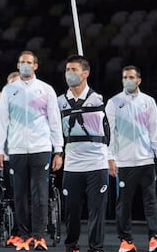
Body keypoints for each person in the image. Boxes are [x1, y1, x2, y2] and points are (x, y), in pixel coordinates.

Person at [0, 50, 64, 251]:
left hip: (41, 148)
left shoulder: (46, 89)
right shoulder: (9, 90)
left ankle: (39, 236)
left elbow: (54, 120)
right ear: (18, 65)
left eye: (29, 62)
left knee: (40, 194)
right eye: (22, 62)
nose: (25, 65)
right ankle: (23, 236)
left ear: (35, 66)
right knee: (20, 195)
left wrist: (58, 149)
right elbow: (1, 121)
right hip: (17, 149)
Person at [106, 65, 157, 252]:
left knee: (151, 201)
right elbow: (108, 133)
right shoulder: (114, 102)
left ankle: (155, 238)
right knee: (124, 203)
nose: (128, 80)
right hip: (124, 162)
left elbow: (155, 129)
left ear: (139, 80)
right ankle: (126, 240)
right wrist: (110, 158)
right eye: (125, 77)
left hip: (146, 160)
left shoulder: (148, 101)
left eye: (131, 77)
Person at [57, 55, 109, 252]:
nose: (69, 74)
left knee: (97, 210)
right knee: (72, 211)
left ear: (85, 73)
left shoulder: (99, 100)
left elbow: (110, 131)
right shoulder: (59, 102)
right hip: (72, 165)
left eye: (74, 70)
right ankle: (71, 246)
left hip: (97, 163)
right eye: (67, 70)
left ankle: (96, 247)